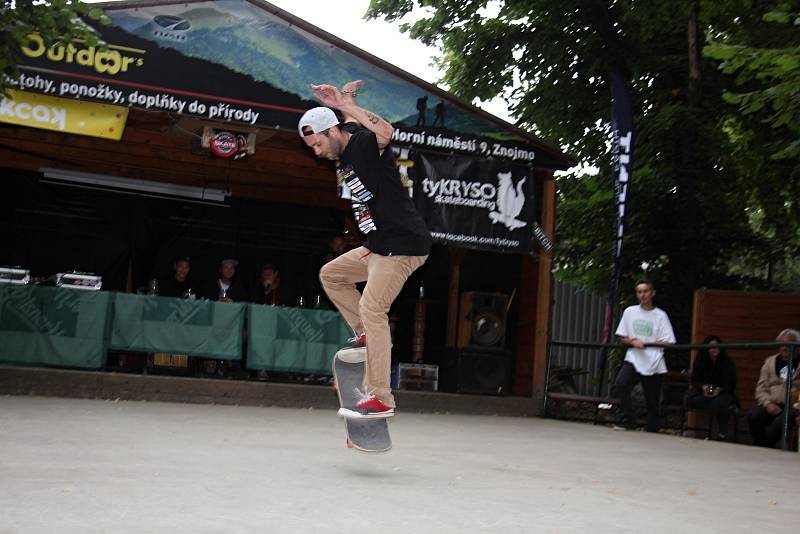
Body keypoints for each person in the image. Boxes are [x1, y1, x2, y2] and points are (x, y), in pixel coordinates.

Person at [298, 80, 432, 418]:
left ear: (332, 130)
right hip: (378, 246)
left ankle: (381, 397)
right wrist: (348, 99)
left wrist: (344, 106)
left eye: (317, 144)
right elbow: (357, 123)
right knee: (332, 274)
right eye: (311, 147)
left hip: (401, 245)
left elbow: (385, 131)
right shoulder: (348, 143)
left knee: (374, 308)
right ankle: (364, 334)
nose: (317, 152)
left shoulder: (359, 144)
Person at [614, 279, 676, 432]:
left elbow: (669, 341)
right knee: (621, 382)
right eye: (639, 292)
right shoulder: (630, 311)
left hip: (653, 361)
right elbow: (622, 336)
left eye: (646, 291)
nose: (643, 295)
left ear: (652, 293)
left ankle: (652, 428)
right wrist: (633, 341)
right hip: (634, 358)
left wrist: (653, 343)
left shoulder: (660, 315)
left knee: (652, 399)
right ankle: (630, 420)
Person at [747, 328, 800, 448]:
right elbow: (761, 388)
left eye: (788, 344)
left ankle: (762, 448)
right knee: (753, 415)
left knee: (779, 423)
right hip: (771, 403)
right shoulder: (770, 362)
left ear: (797, 346)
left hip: (793, 408)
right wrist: (767, 403)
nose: (784, 348)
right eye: (782, 344)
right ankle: (763, 447)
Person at [685, 335, 737, 440]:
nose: (714, 350)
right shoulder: (700, 360)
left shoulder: (728, 362)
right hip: (704, 392)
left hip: (722, 392)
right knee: (689, 399)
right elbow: (695, 380)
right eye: (711, 347)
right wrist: (703, 388)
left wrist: (719, 390)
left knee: (719, 403)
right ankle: (727, 407)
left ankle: (722, 434)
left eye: (716, 347)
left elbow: (731, 383)